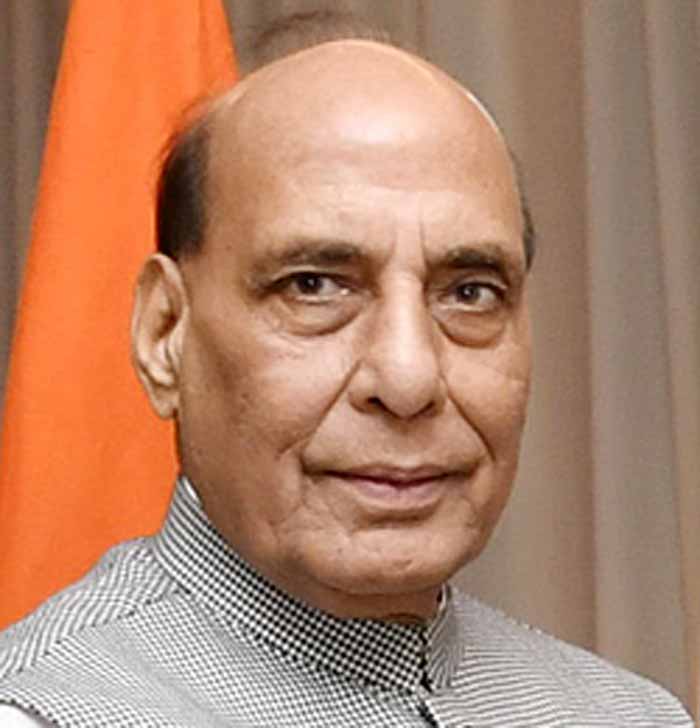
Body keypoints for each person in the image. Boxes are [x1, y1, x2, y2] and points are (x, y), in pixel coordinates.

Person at [0, 26, 692, 728]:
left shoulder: (630, 716)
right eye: (314, 286)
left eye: (470, 293)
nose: (409, 377)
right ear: (164, 333)